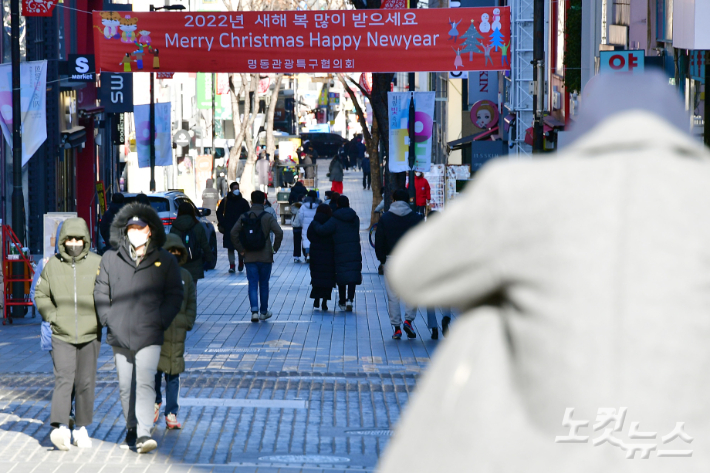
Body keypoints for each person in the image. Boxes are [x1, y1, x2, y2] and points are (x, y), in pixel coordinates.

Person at [380, 72, 710, 472]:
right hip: (685, 449)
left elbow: (411, 274)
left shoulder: (526, 188)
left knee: (483, 325)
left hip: (554, 448)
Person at [94, 203, 183, 454]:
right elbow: (101, 289)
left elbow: (175, 294)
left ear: (150, 231)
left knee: (145, 382)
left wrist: (160, 320)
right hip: (119, 334)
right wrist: (108, 318)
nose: (136, 232)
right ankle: (131, 427)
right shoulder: (111, 257)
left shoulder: (164, 260)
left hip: (150, 333)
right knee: (126, 386)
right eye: (131, 228)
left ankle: (144, 432)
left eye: (140, 228)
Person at [35, 218, 102, 451]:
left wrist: (101, 318)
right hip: (61, 334)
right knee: (64, 379)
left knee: (85, 382)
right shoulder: (52, 265)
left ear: (85, 240)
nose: (74, 243)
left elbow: (107, 293)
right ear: (62, 241)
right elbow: (40, 293)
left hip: (90, 334)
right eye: (69, 239)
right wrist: (52, 316)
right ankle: (61, 427)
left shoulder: (97, 263)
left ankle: (81, 429)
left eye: (78, 239)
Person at [154, 234, 197, 430]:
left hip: (177, 332)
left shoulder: (186, 277)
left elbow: (191, 303)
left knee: (174, 374)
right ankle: (155, 402)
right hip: (157, 331)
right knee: (155, 371)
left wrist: (187, 321)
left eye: (176, 253)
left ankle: (171, 412)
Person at [375, 189, 424, 340]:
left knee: (393, 295)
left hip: (391, 259)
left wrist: (382, 259)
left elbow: (379, 241)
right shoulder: (417, 218)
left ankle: (396, 327)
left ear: (394, 200)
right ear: (408, 200)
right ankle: (408, 321)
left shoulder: (385, 218)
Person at [230, 191, 284, 322]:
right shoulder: (268, 217)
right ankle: (263, 312)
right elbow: (279, 232)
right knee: (264, 284)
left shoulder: (244, 216)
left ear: (251, 202)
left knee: (252, 283)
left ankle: (254, 311)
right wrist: (274, 248)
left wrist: (241, 249)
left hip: (249, 256)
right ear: (264, 202)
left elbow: (233, 233)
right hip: (265, 255)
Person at [312, 195, 362, 311]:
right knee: (352, 275)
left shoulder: (335, 219)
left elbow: (322, 230)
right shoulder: (355, 218)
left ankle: (342, 301)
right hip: (354, 250)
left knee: (342, 276)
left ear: (338, 205)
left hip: (339, 251)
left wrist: (315, 223)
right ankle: (350, 299)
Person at [170, 202, 214, 286]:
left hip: (180, 262)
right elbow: (205, 244)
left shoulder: (175, 227)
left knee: (181, 288)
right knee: (192, 289)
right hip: (195, 261)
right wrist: (209, 259)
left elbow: (171, 245)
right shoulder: (197, 226)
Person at [307, 204, 336, 311]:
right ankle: (324, 301)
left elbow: (309, 235)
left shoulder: (314, 223)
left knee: (317, 276)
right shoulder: (331, 223)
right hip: (329, 254)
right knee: (327, 278)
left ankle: (316, 298)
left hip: (316, 254)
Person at [216, 182, 250, 273]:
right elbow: (219, 212)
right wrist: (223, 222)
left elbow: (248, 213)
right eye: (235, 188)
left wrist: (245, 223)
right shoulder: (226, 201)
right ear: (231, 190)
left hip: (241, 228)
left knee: (240, 246)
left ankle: (240, 262)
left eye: (237, 188)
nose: (237, 190)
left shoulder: (243, 202)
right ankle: (232, 265)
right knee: (230, 247)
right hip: (229, 227)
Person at [298, 190, 321, 263]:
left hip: (305, 225)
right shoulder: (318, 205)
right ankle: (314, 255)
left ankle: (307, 255)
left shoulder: (303, 206)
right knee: (315, 239)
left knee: (306, 239)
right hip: (316, 224)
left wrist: (302, 224)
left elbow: (300, 216)